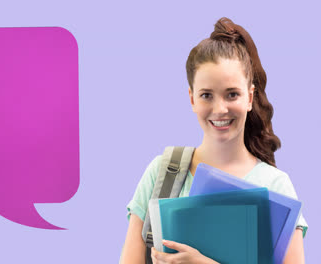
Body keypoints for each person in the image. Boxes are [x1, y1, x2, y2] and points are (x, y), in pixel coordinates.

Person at [120, 17, 308, 264]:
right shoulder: (162, 173)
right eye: (206, 95)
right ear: (192, 99)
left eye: (232, 94)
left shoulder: (276, 186)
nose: (220, 109)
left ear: (250, 98)